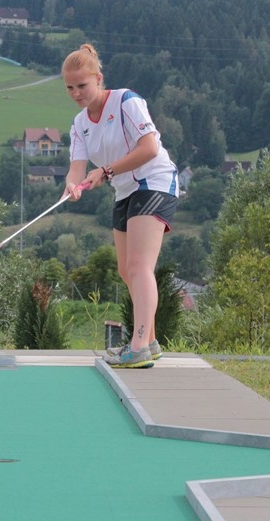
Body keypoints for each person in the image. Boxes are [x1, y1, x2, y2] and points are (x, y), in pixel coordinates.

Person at [61, 43, 179, 369]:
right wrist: (73, 185)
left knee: (139, 266)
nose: (76, 93)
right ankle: (150, 342)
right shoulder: (79, 124)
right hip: (124, 191)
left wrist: (107, 171)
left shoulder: (126, 101)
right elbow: (77, 168)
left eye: (82, 85)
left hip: (154, 181)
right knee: (126, 270)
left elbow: (150, 149)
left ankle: (137, 347)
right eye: (69, 88)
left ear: (98, 79)